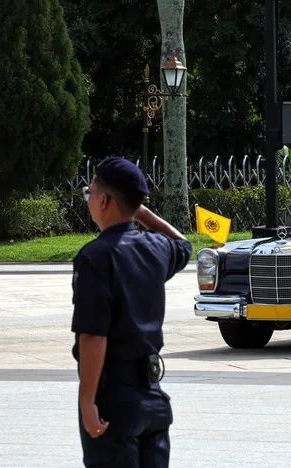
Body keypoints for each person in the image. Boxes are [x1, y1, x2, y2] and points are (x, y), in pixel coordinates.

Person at [72, 157, 192, 467]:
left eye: (90, 193)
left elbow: (93, 336)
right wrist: (141, 213)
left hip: (114, 400)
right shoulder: (155, 248)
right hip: (152, 397)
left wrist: (87, 400)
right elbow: (183, 243)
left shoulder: (95, 257)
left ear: (103, 200)